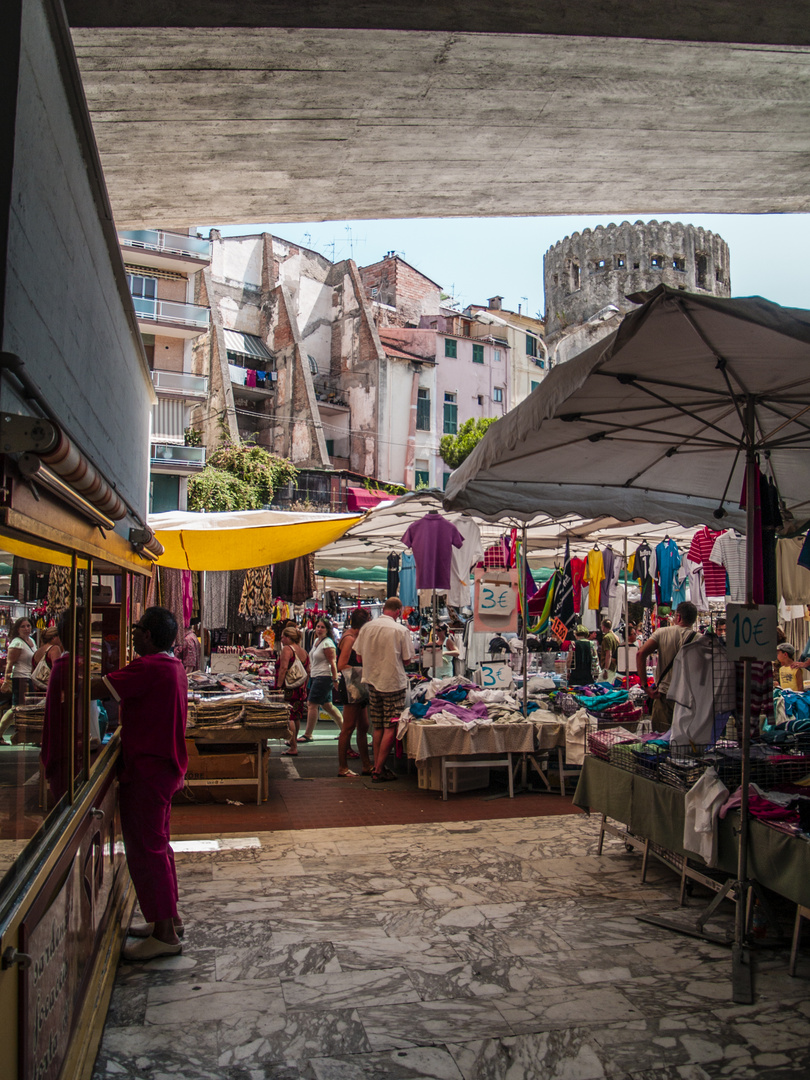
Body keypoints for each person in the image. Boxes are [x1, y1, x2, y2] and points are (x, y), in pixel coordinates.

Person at [92, 606, 188, 961]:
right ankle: (167, 919)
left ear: (147, 635)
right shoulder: (173, 667)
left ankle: (164, 934)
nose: (132, 637)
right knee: (158, 847)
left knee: (147, 850)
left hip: (149, 771)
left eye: (136, 631)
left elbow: (99, 689)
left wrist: (69, 668)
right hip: (163, 768)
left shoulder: (148, 668)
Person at [354, 597, 415, 782]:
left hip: (372, 681)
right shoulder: (400, 630)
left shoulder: (366, 628)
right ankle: (379, 769)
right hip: (392, 683)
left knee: (378, 725)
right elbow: (407, 661)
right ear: (398, 611)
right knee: (391, 725)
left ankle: (377, 765)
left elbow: (358, 658)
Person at [636, 600, 701, 732]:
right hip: (689, 699)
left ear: (678, 617)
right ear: (694, 619)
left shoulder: (661, 633)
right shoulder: (700, 639)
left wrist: (645, 686)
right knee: (684, 741)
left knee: (660, 739)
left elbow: (640, 654)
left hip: (664, 695)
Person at [335, 608, 373, 777]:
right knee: (348, 727)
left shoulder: (352, 636)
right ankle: (342, 767)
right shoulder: (350, 639)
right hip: (351, 686)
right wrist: (364, 669)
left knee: (363, 725)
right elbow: (341, 665)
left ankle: (366, 764)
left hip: (356, 686)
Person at [301, 616, 342, 740]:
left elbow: (333, 662)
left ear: (327, 629)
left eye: (322, 627)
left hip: (323, 676)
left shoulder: (328, 643)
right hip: (316, 676)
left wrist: (335, 679)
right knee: (327, 705)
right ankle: (344, 729)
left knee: (312, 704)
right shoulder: (316, 641)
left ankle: (308, 734)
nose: (319, 629)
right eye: (318, 626)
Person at [275, 623, 310, 755]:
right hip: (300, 688)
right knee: (296, 716)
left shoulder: (287, 650)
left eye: (283, 637)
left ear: (289, 638)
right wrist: (305, 687)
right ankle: (293, 741)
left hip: (289, 688)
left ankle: (293, 746)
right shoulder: (303, 651)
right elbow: (307, 670)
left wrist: (279, 686)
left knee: (289, 716)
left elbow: (283, 668)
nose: (281, 639)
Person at [3, 616, 36, 707]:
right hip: (20, 677)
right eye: (23, 626)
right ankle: (6, 721)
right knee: (20, 706)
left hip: (29, 677)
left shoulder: (32, 641)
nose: (26, 629)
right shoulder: (17, 643)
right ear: (18, 629)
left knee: (28, 705)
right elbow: (10, 663)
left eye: (28, 626)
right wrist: (7, 680)